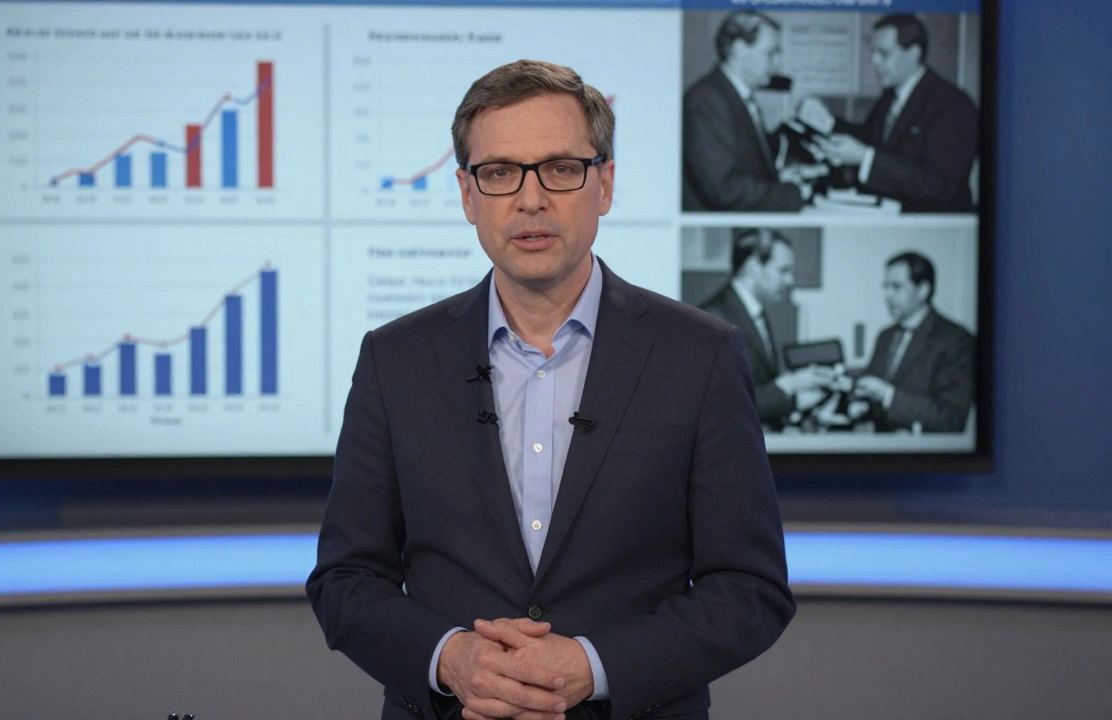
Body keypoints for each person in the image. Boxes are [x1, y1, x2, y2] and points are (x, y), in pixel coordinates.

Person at [307, 60, 795, 720]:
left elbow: (749, 588)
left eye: (561, 168)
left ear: (605, 184)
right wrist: (450, 659)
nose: (530, 199)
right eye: (500, 172)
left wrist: (592, 667)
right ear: (466, 194)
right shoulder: (395, 360)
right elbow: (345, 580)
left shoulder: (700, 357)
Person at [797, 14, 979, 213]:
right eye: (873, 53)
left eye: (883, 54)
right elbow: (870, 139)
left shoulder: (952, 104)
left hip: (934, 223)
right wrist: (828, 124)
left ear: (913, 54)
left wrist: (865, 158)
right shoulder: (890, 96)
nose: (874, 62)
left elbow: (938, 185)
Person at [697, 228, 838, 429]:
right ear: (754, 266)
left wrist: (795, 395)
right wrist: (788, 387)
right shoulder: (712, 319)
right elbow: (720, 402)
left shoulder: (755, 312)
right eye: (783, 270)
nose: (790, 281)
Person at [681, 11, 821, 212]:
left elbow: (742, 166)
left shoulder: (734, 96)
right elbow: (725, 189)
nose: (777, 63)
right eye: (771, 53)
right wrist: (796, 193)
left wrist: (777, 177)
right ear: (739, 50)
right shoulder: (705, 100)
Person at [851, 252, 975, 432]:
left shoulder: (957, 340)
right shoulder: (885, 336)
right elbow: (873, 397)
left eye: (896, 287)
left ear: (923, 290)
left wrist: (888, 395)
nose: (888, 295)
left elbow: (951, 418)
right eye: (885, 287)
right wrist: (858, 406)